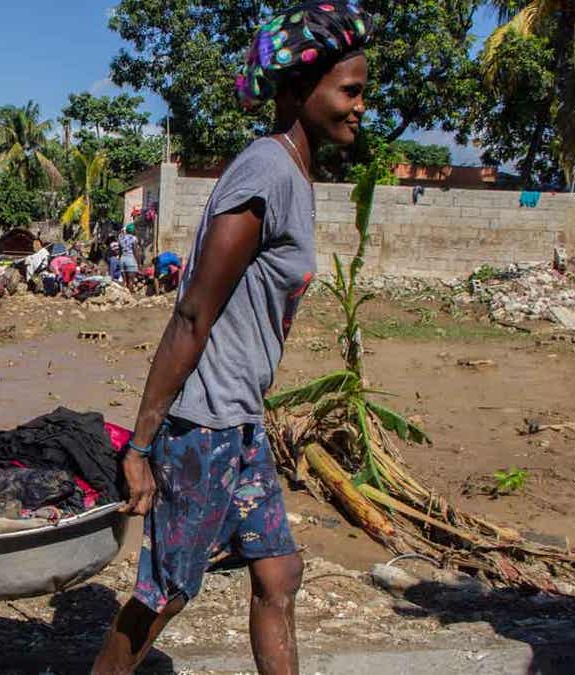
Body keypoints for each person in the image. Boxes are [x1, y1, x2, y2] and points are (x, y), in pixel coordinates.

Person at [93, 4, 372, 674]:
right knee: (166, 592)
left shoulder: (295, 177)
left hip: (241, 421)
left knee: (279, 573)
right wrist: (141, 443)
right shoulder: (265, 173)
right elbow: (192, 313)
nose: (361, 107)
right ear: (297, 91)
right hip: (203, 424)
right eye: (350, 91)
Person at [118, 223, 141, 290]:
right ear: (133, 231)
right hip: (130, 259)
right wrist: (139, 263)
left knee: (124, 282)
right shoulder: (134, 238)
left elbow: (120, 251)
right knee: (131, 281)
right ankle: (129, 298)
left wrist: (119, 260)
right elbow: (136, 252)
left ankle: (123, 297)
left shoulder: (121, 238)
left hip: (122, 259)